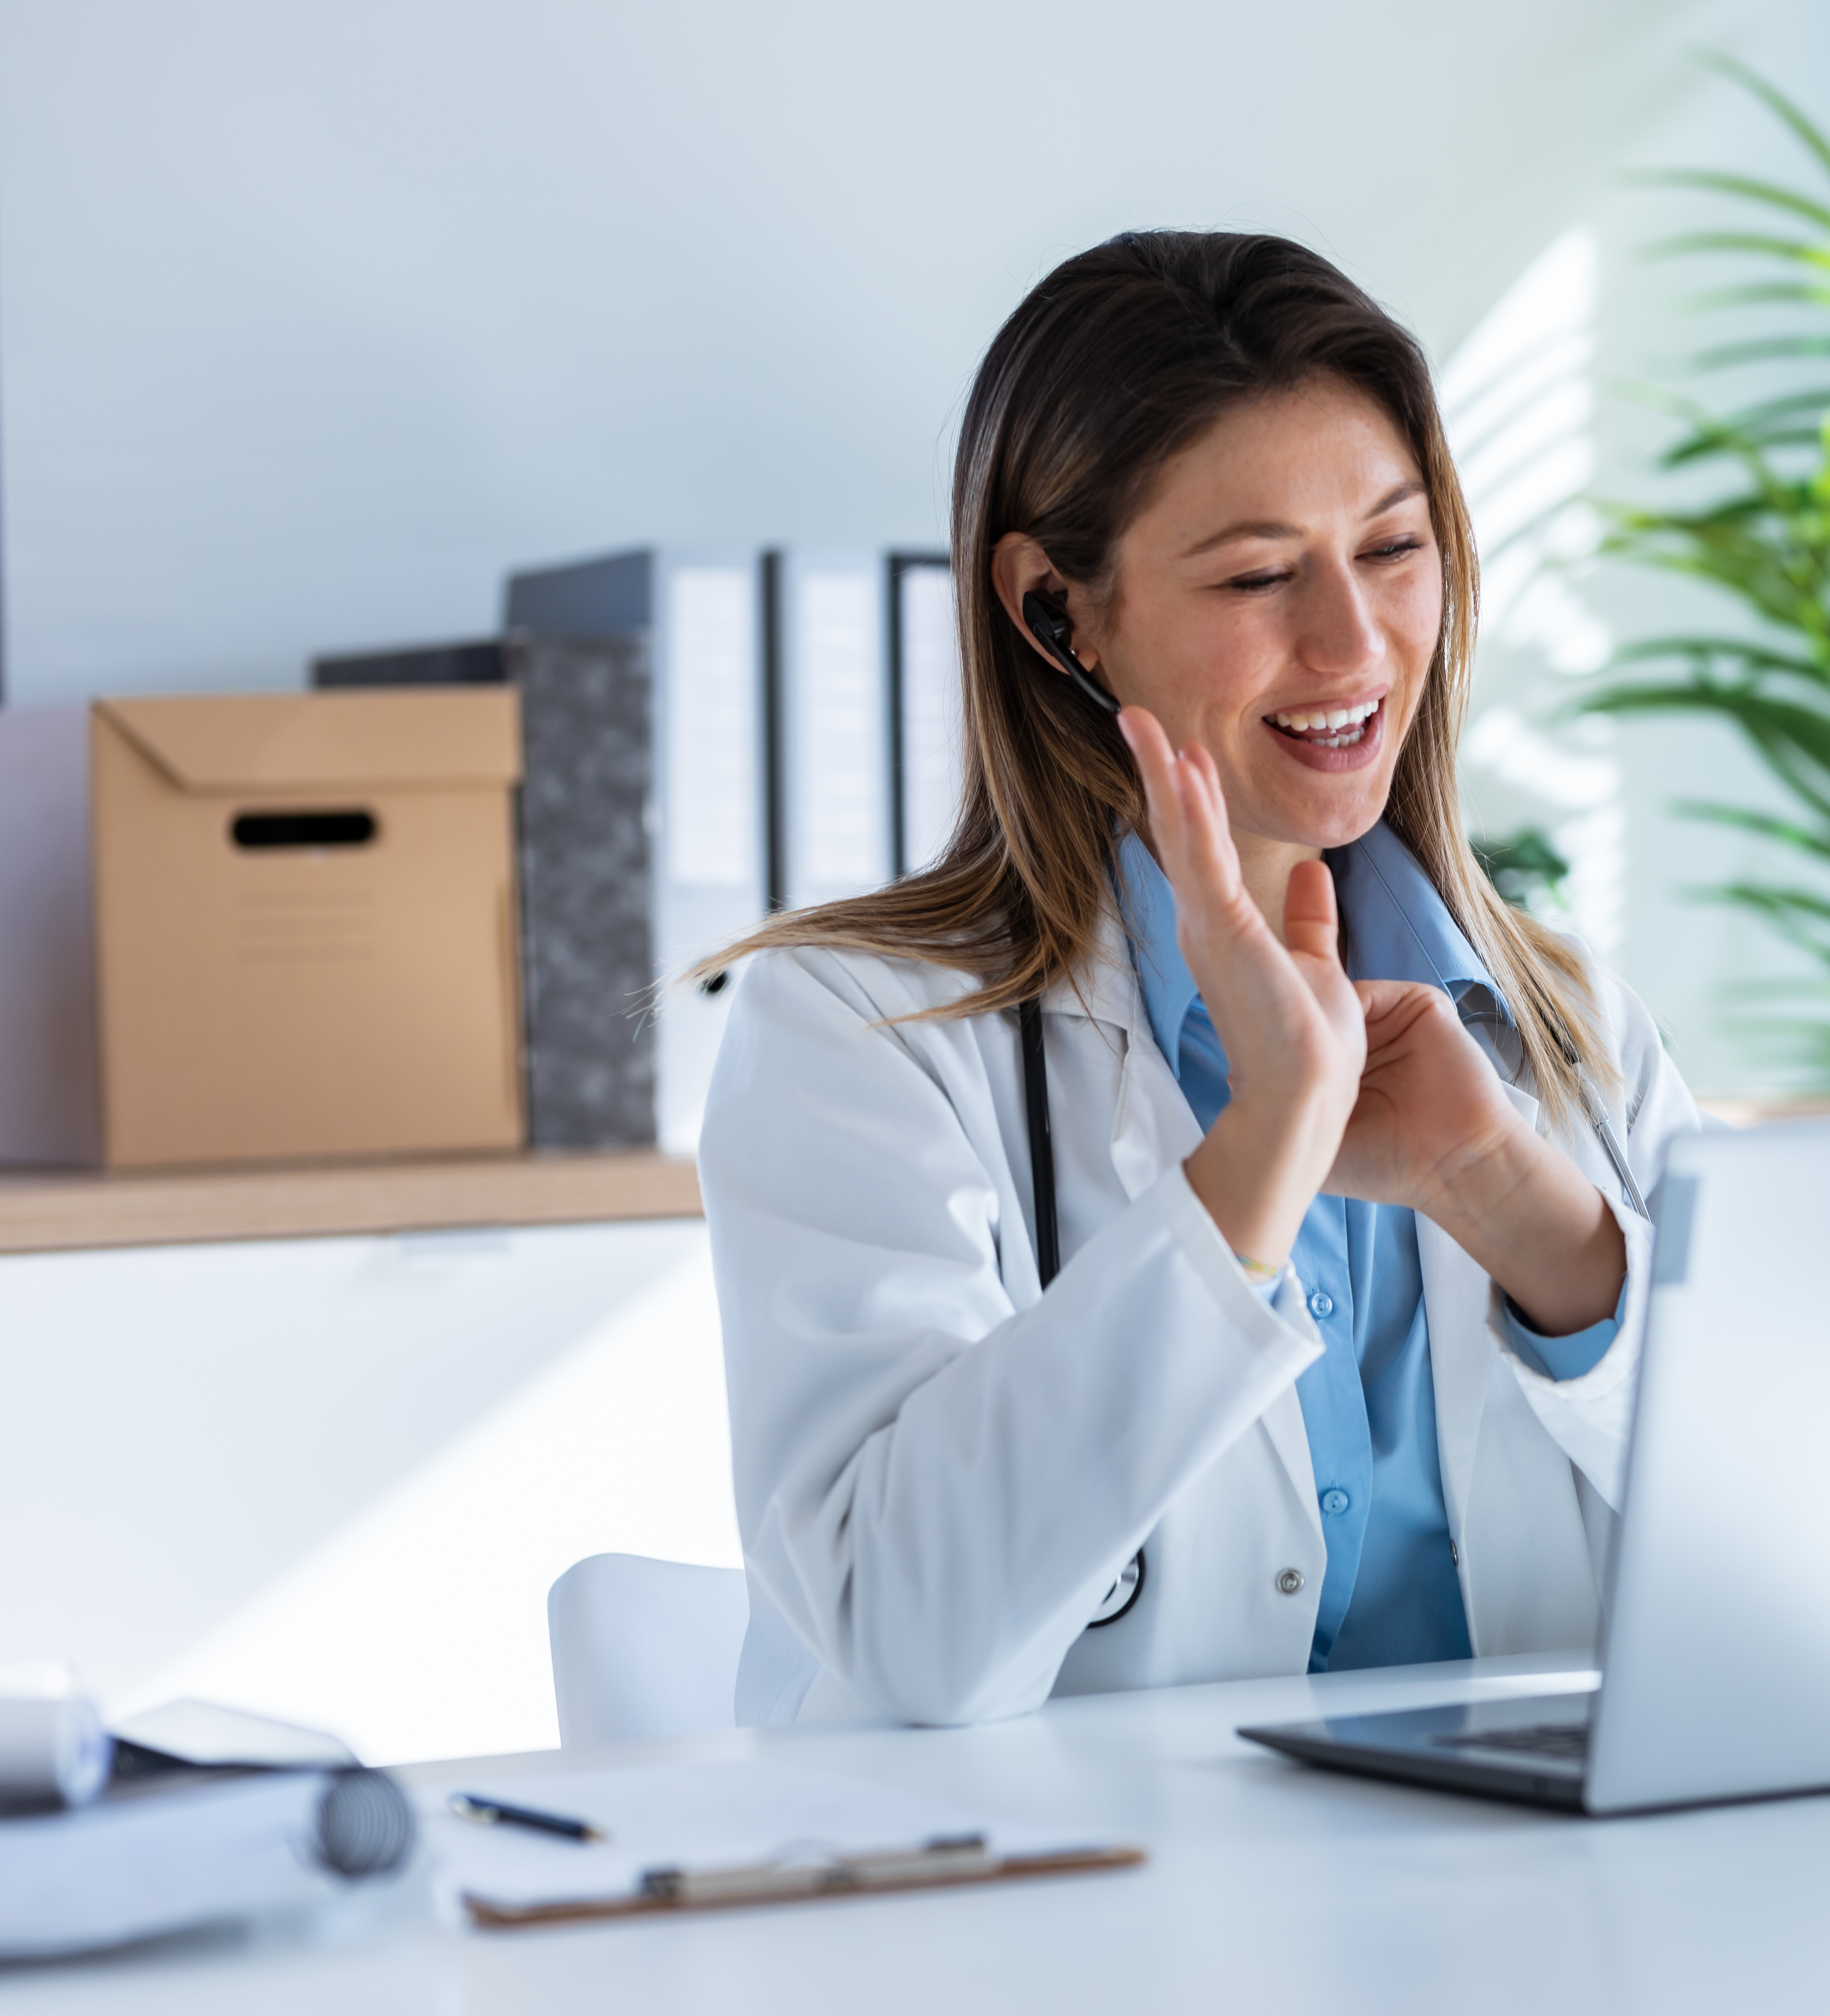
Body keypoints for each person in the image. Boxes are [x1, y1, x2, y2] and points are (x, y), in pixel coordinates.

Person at [700, 232, 1701, 1728]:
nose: (1353, 643)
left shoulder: (1567, 1027)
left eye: (1392, 548)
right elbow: (902, 1641)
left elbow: (1813, 1553)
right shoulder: (862, 1033)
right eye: (1257, 575)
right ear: (1061, 614)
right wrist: (1247, 1173)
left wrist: (1513, 1195)